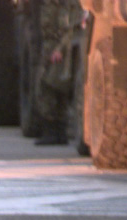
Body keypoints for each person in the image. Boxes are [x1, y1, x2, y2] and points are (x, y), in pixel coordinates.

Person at [32, 0, 83, 145]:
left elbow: (72, 28)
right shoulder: (51, 3)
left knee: (48, 87)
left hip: (59, 49)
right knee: (53, 87)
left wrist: (60, 49)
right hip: (50, 46)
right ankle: (57, 133)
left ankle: (53, 131)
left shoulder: (67, 4)